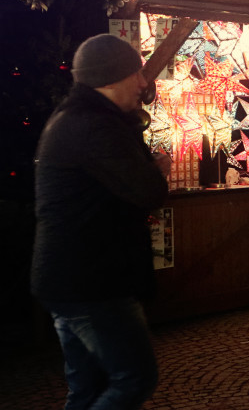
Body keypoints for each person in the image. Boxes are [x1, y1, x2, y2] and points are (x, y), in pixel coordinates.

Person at [32, 34, 170, 410]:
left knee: (87, 389)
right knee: (134, 377)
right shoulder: (97, 127)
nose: (143, 83)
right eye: (136, 74)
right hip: (92, 281)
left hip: (68, 277)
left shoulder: (77, 118)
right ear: (111, 79)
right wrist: (158, 170)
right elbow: (149, 192)